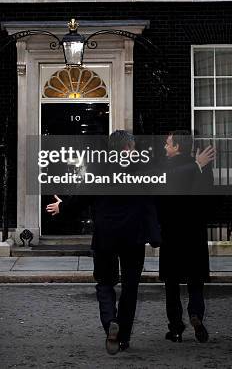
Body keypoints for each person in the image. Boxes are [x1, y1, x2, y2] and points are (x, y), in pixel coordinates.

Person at [46, 130, 161, 355]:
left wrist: (62, 207)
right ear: (127, 148)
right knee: (130, 287)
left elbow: (82, 197)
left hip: (106, 236)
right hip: (133, 237)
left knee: (105, 283)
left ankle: (110, 323)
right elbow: (152, 201)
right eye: (133, 146)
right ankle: (124, 337)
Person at [158, 131, 214, 344]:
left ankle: (176, 329)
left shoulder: (167, 167)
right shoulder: (203, 165)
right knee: (196, 280)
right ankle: (195, 315)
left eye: (168, 143)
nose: (165, 147)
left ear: (177, 146)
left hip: (172, 232)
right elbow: (209, 199)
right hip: (195, 231)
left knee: (171, 284)